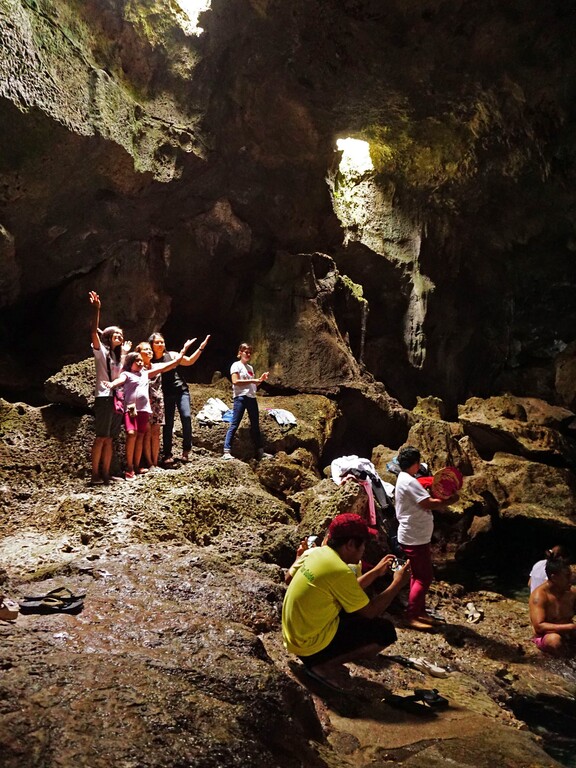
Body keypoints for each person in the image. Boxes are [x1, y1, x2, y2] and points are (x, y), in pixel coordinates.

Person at [282, 513, 410, 690]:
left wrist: (375, 572)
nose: (364, 549)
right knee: (384, 632)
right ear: (350, 544)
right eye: (363, 544)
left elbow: (289, 578)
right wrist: (398, 583)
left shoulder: (315, 552)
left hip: (292, 638)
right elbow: (371, 611)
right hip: (308, 646)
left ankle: (321, 658)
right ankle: (323, 665)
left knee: (350, 609)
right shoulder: (340, 571)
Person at [105, 344, 191, 479]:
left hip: (144, 410)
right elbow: (119, 380)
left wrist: (183, 350)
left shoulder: (145, 373)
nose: (140, 363)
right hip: (131, 409)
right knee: (131, 434)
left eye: (141, 361)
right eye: (137, 361)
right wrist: (111, 384)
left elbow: (170, 365)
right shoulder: (126, 374)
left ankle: (137, 465)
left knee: (140, 436)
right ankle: (129, 466)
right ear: (131, 363)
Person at [394, 445, 452, 631]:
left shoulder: (404, 478)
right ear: (415, 463)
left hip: (415, 535)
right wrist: (450, 500)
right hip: (414, 536)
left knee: (418, 575)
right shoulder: (409, 482)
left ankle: (419, 611)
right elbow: (428, 503)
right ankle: (411, 616)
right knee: (425, 577)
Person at [88, 291, 131, 485]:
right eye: (116, 334)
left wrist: (126, 353)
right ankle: (95, 474)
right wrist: (96, 310)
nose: (120, 337)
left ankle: (106, 474)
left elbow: (121, 374)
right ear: (108, 337)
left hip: (117, 399)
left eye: (121, 335)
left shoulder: (117, 357)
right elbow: (93, 332)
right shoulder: (102, 352)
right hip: (104, 397)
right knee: (101, 437)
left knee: (110, 438)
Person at [149, 333, 211, 465]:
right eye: (157, 342)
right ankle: (167, 454)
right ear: (152, 345)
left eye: (162, 342)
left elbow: (189, 361)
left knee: (186, 416)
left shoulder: (171, 355)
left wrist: (201, 348)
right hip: (165, 393)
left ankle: (186, 450)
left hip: (181, 390)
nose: (160, 344)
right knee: (167, 423)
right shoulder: (150, 360)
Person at [223, 342, 269, 461]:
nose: (248, 354)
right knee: (235, 423)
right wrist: (253, 380)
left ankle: (260, 452)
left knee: (255, 425)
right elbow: (235, 381)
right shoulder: (236, 365)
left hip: (251, 397)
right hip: (241, 397)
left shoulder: (250, 368)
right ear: (240, 353)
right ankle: (226, 451)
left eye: (249, 353)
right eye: (246, 352)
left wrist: (260, 380)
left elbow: (253, 384)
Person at [529, 558, 576, 657]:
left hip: (568, 633)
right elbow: (539, 626)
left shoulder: (572, 593)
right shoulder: (540, 596)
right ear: (554, 578)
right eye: (567, 576)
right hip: (547, 635)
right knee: (554, 640)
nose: (571, 579)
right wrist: (570, 627)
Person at [135, 341, 165, 471]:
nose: (149, 351)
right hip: (144, 403)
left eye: (150, 349)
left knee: (156, 433)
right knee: (146, 433)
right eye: (145, 349)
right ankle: (149, 462)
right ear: (139, 353)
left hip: (158, 402)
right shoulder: (137, 369)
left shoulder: (156, 366)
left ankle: (156, 462)